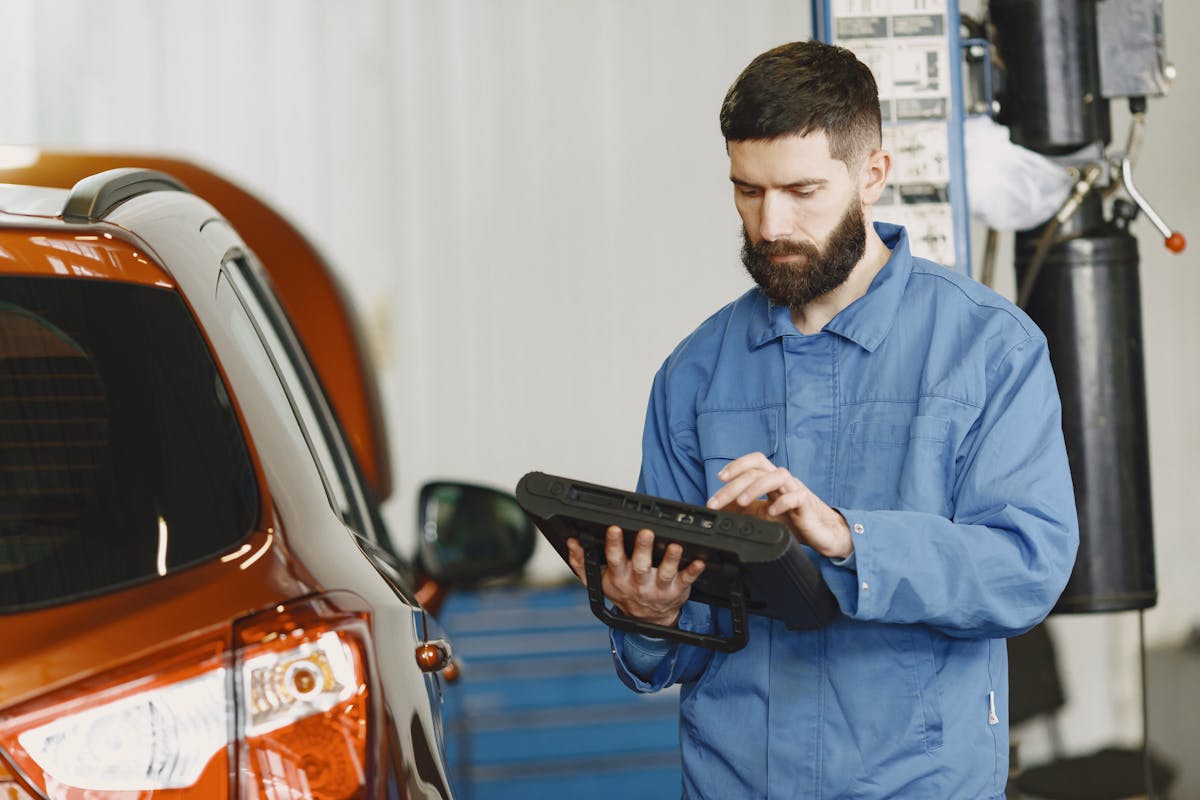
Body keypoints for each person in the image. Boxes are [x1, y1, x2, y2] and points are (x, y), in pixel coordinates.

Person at [564, 40, 1079, 799]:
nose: (770, 223)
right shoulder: (696, 373)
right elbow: (679, 649)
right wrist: (646, 615)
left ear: (872, 173)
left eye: (801, 189)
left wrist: (849, 537)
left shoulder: (987, 349)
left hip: (916, 784)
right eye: (747, 190)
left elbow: (1027, 568)